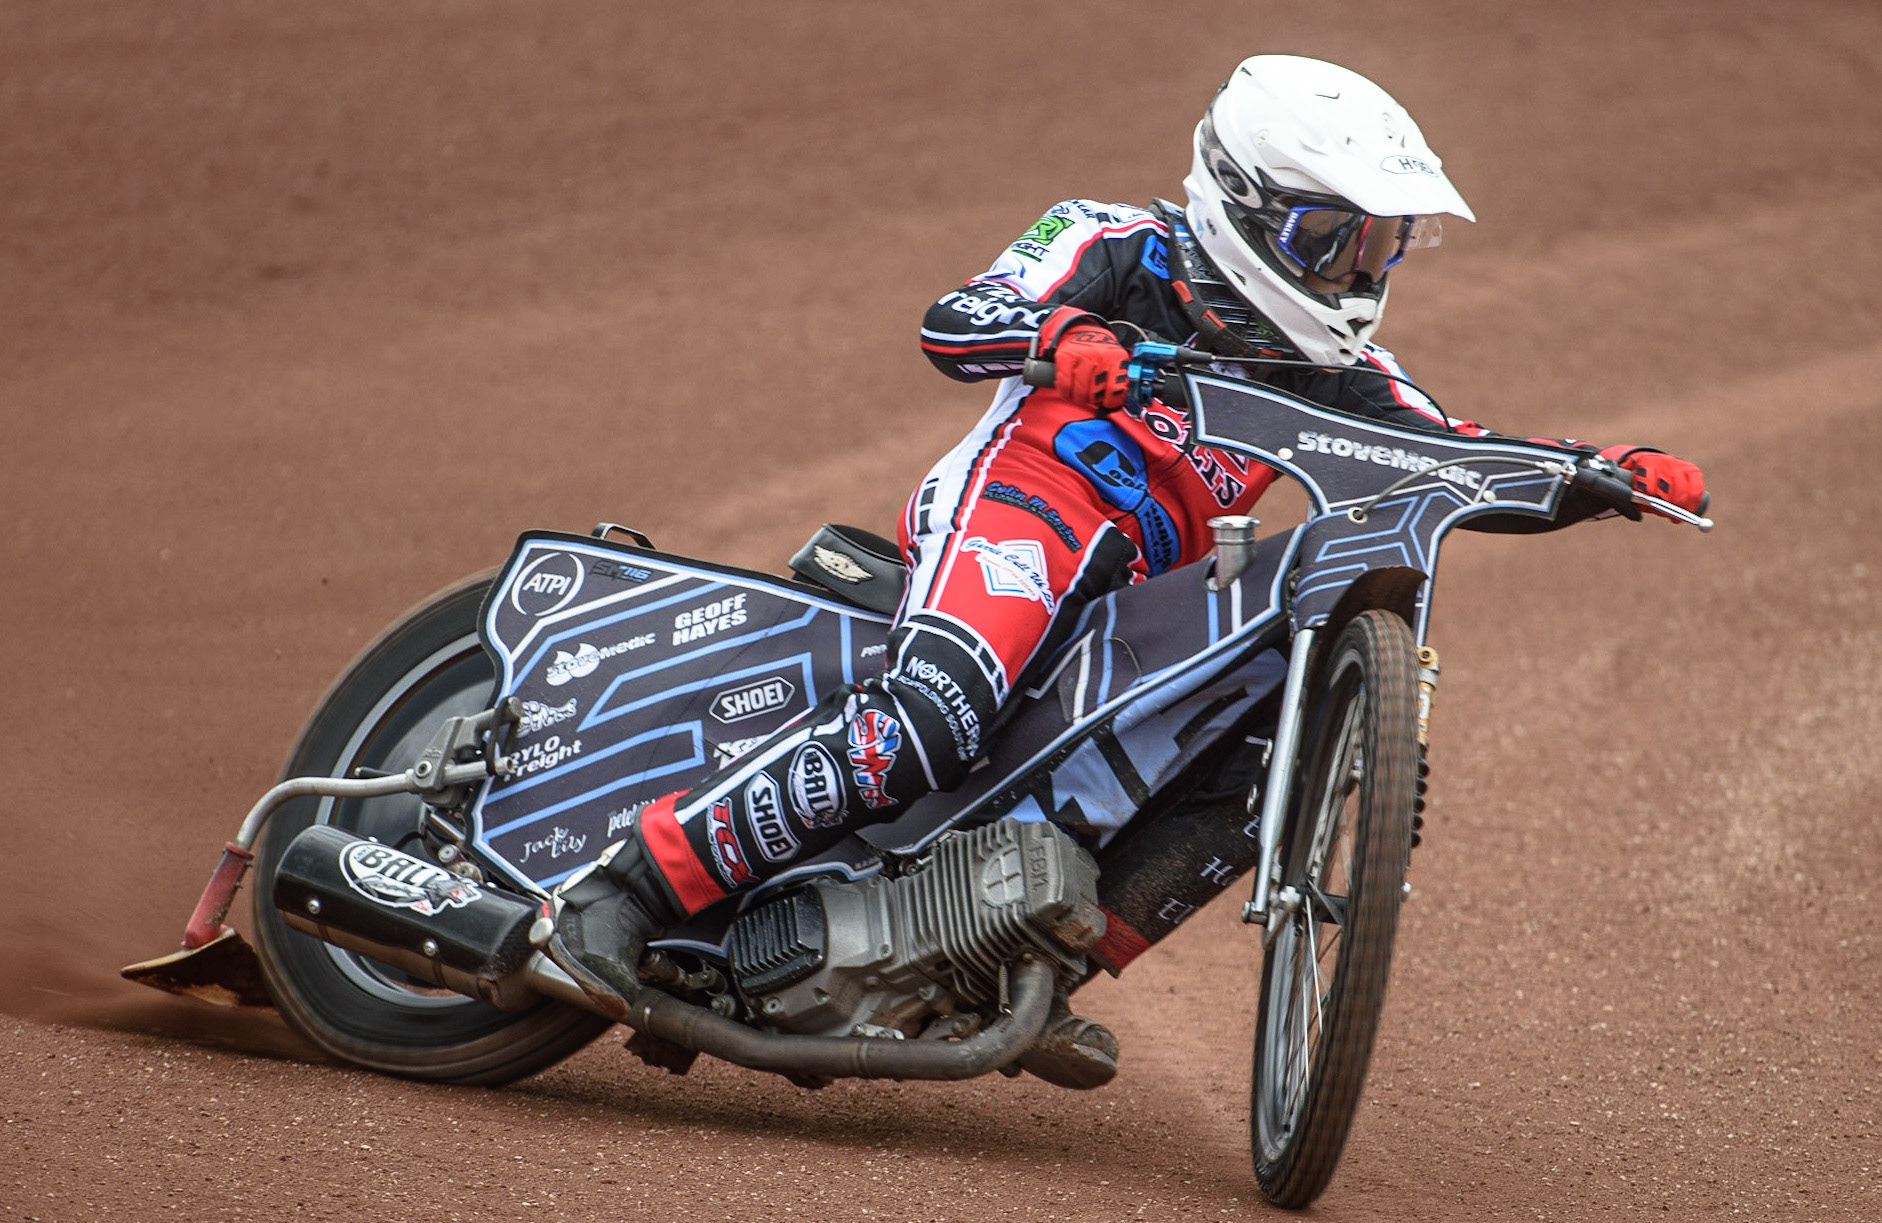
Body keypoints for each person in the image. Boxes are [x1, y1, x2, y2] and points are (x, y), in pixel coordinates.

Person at [549, 55, 1706, 1079]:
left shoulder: (1343, 368)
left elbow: (1443, 454)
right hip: (1020, 513)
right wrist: (1060, 341)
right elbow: (957, 318)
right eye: (1331, 236)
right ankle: (628, 890)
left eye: (1380, 240)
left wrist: (1597, 472)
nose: (1358, 272)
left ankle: (1017, 967)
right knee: (933, 720)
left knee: (1259, 766)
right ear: (1244, 204)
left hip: (1135, 605)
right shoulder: (1112, 241)